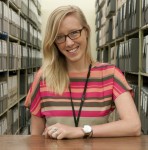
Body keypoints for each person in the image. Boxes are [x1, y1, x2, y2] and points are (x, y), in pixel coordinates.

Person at [24, 5, 141, 140]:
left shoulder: (110, 74)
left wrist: (81, 131)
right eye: (60, 37)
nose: (68, 43)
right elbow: (36, 138)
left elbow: (133, 126)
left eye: (74, 33)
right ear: (54, 42)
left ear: (86, 31)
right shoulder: (43, 77)